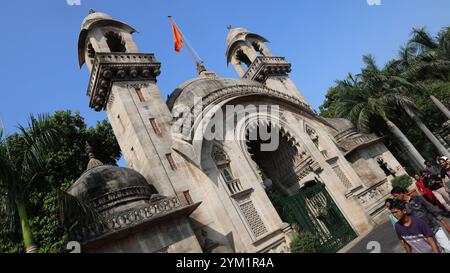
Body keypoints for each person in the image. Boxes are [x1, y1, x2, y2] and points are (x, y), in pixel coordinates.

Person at [391, 186, 450, 252]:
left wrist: (445, 224)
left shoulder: (417, 198)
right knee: (437, 250)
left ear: (401, 193)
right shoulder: (402, 207)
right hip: (423, 234)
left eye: (395, 196)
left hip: (433, 227)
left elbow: (432, 209)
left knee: (447, 247)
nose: (395, 198)